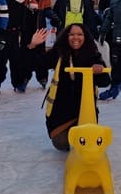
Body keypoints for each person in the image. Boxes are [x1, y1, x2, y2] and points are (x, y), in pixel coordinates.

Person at [26, 22, 111, 151]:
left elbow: (105, 82)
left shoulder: (92, 54)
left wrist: (99, 69)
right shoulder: (59, 52)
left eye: (79, 34)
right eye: (72, 34)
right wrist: (33, 46)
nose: (75, 38)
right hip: (62, 110)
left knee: (85, 141)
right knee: (60, 143)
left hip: (85, 109)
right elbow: (37, 64)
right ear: (66, 36)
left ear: (85, 37)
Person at [20, 0, 56, 91]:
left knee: (40, 55)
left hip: (39, 29)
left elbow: (47, 9)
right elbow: (19, 6)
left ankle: (42, 77)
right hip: (26, 29)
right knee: (25, 55)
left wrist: (53, 17)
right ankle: (24, 78)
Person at [0, 0, 26, 91]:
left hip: (15, 32)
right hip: (3, 32)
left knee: (16, 60)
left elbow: (21, 13)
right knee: (1, 60)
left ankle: (18, 83)